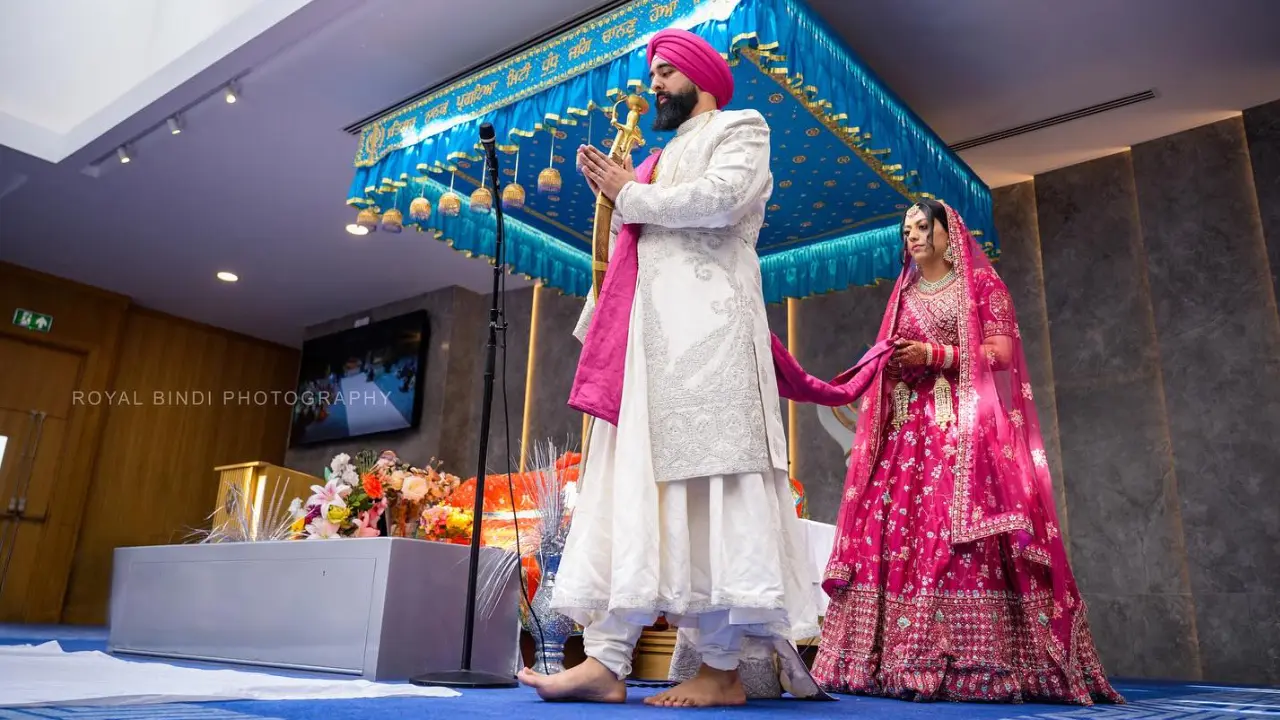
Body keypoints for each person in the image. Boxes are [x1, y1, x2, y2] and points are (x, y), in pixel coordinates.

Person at [516, 28, 827, 708]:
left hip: (711, 348)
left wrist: (629, 192)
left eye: (663, 73)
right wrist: (622, 202)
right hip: (645, 356)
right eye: (651, 74)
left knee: (710, 501)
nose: (651, 85)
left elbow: (722, 200)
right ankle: (606, 659)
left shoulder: (742, 128)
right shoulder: (655, 161)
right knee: (634, 498)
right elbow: (629, 247)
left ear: (700, 77)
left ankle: (719, 671)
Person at [772, 199, 1123, 704]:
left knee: (955, 539)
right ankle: (886, 659)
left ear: (946, 231)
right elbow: (892, 352)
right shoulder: (904, 291)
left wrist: (935, 354)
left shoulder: (982, 285)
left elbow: (1000, 354)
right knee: (895, 535)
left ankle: (976, 662)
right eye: (905, 229)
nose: (911, 236)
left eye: (921, 227)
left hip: (961, 431)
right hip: (906, 436)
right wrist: (893, 364)